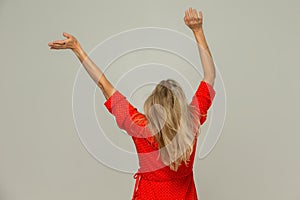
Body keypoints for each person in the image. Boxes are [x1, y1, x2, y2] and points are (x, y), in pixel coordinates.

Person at [48, 7, 216, 200]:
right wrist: (198, 31)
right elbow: (210, 76)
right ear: (180, 105)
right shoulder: (192, 123)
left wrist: (78, 49)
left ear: (153, 105)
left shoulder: (140, 127)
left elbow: (104, 86)